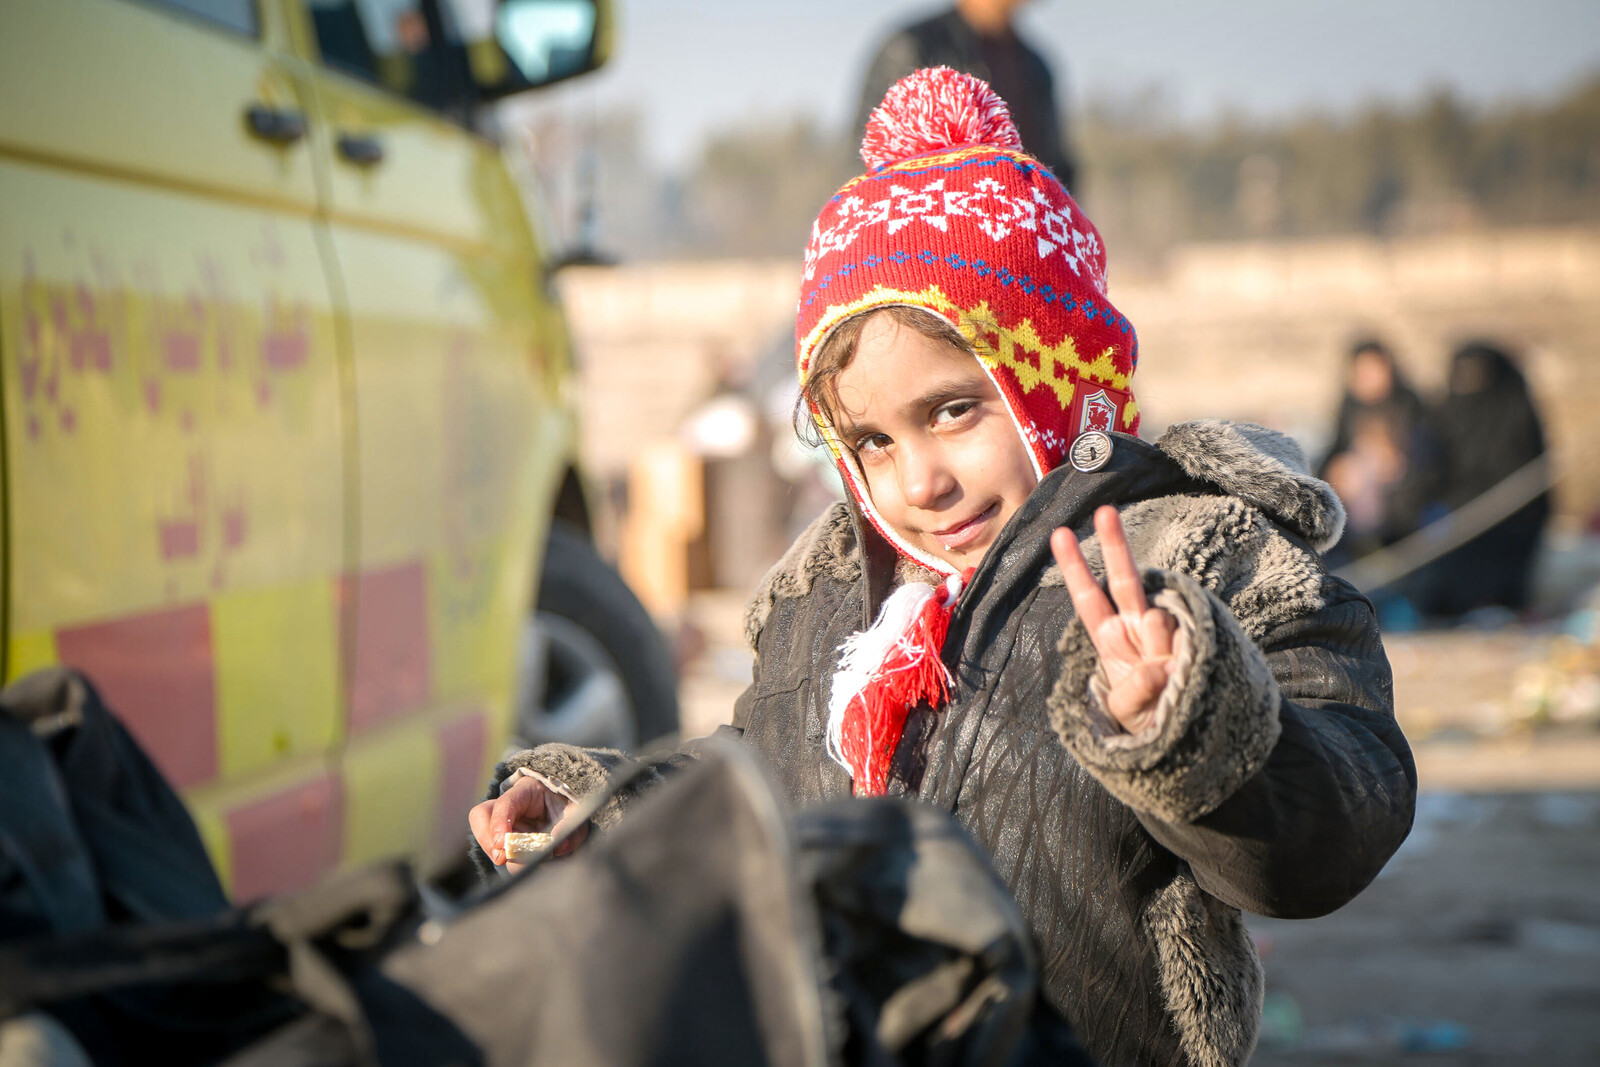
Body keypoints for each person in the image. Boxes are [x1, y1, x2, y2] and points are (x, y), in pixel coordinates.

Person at [471, 69, 1415, 1067]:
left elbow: (1339, 823)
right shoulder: (831, 595)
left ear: (1054, 370)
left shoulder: (1185, 556)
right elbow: (753, 788)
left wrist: (1189, 718)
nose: (916, 479)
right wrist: (596, 817)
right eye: (871, 440)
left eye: (953, 409)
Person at [856, 0, 1077, 190]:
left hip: (1021, 228)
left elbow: (1057, 167)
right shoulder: (912, 46)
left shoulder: (1036, 67)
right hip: (924, 226)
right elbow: (866, 158)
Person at [1409, 341, 1550, 616]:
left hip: (1513, 517)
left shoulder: (1515, 411)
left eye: (1476, 374)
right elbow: (1430, 468)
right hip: (1458, 518)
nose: (1468, 383)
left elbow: (1527, 470)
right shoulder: (1445, 413)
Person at [1317, 338, 1440, 561]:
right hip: (1353, 524)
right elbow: (1334, 454)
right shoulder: (1349, 412)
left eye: (1373, 369)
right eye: (1360, 371)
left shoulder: (1411, 410)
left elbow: (1431, 466)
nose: (1367, 378)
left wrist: (1398, 472)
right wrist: (1335, 475)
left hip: (1405, 523)